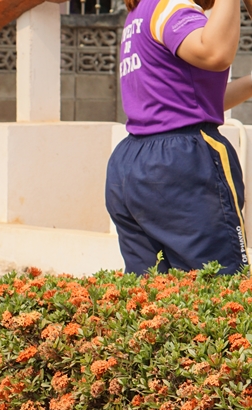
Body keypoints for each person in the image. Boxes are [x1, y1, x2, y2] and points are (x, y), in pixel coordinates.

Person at [107, 0, 249, 274]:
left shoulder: (142, 13)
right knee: (217, 284)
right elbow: (215, 53)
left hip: (134, 161)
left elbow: (193, 102)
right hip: (182, 161)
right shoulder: (172, 7)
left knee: (153, 290)